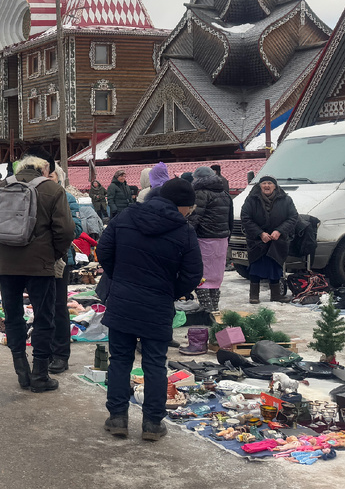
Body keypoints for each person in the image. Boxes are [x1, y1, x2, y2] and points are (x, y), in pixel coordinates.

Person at [97, 178, 203, 440]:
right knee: (155, 363)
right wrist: (170, 290)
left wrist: (120, 278)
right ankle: (153, 424)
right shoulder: (184, 230)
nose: (189, 213)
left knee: (120, 360)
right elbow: (192, 274)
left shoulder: (125, 216)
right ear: (180, 205)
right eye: (189, 208)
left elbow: (104, 250)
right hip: (157, 305)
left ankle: (117, 418)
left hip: (122, 301)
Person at [0, 155, 74, 392]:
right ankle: (39, 375)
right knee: (44, 318)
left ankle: (21, 370)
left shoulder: (0, 188)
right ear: (44, 169)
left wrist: (2, 249)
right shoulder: (53, 190)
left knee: (13, 317)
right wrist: (54, 254)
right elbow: (65, 230)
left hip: (8, 266)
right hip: (40, 266)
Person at [241, 175, 299, 304]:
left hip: (277, 240)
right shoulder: (251, 199)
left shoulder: (286, 200)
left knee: (275, 266)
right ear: (260, 186)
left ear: (275, 186)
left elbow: (293, 217)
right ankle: (254, 296)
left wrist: (279, 231)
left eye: (269, 183)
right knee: (255, 266)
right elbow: (245, 218)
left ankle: (276, 295)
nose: (266, 186)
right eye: (264, 183)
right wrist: (260, 233)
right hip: (257, 241)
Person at [48, 164, 83, 374]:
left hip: (60, 259)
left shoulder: (67, 198)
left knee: (59, 306)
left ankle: (61, 354)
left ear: (59, 178)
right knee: (43, 306)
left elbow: (77, 228)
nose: (47, 179)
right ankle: (46, 351)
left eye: (51, 176)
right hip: (38, 260)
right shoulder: (36, 197)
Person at [188, 165, 233, 318]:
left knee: (202, 275)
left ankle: (206, 310)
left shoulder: (200, 193)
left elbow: (195, 217)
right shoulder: (224, 193)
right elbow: (230, 219)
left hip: (204, 239)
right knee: (215, 275)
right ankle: (214, 308)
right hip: (222, 239)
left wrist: (186, 234)